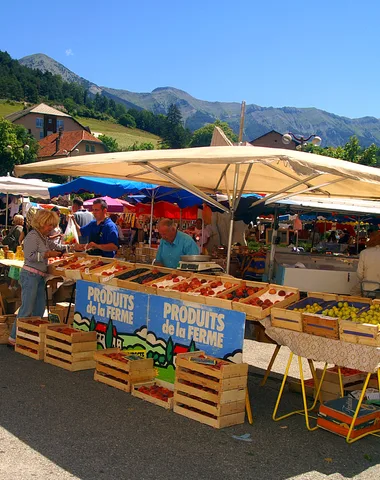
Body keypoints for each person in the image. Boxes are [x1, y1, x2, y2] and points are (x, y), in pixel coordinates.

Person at [8, 210, 65, 346]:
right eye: (49, 225)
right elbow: (30, 256)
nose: (51, 228)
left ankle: (30, 335)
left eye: (52, 225)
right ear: (41, 223)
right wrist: (46, 255)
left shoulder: (43, 237)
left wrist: (72, 247)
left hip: (39, 277)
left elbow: (57, 247)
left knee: (39, 308)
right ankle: (13, 337)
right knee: (27, 308)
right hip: (30, 275)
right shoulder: (32, 236)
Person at [355, 230, 380, 295]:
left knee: (353, 292)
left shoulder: (364, 253)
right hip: (376, 288)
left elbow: (359, 274)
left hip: (367, 288)